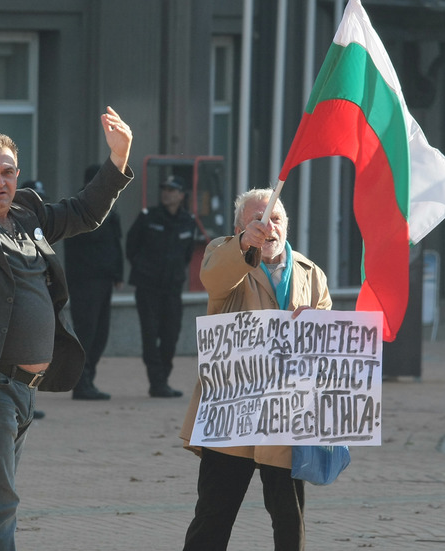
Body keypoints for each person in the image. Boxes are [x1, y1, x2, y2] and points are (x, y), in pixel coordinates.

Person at [0, 107, 133, 550]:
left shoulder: (27, 215)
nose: (0, 181)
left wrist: (118, 160)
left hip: (22, 391)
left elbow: (83, 212)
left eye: (8, 172)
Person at [179, 188, 331, 551]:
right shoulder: (224, 254)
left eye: (275, 219)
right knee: (213, 517)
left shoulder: (311, 273)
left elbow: (328, 339)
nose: (268, 228)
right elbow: (214, 280)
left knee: (289, 521)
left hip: (286, 415)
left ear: (287, 228)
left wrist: (317, 327)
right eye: (257, 221)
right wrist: (242, 245)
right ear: (239, 228)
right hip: (232, 410)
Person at [126, 175, 196, 397]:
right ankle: (156, 382)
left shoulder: (188, 221)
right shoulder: (148, 217)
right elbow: (131, 247)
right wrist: (144, 268)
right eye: (164, 189)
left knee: (171, 334)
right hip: (148, 287)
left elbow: (187, 255)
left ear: (181, 195)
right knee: (150, 334)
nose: (166, 193)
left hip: (172, 289)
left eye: (172, 190)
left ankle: (163, 378)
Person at [64, 164, 124, 400]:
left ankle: (89, 378)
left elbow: (114, 243)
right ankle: (81, 382)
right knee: (86, 332)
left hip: (104, 279)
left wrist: (118, 274)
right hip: (85, 280)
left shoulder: (108, 205)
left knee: (101, 333)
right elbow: (91, 237)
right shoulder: (81, 206)